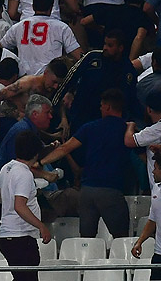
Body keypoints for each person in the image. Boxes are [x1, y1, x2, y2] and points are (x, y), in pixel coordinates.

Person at [40, 89, 132, 238]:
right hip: (111, 190)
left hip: (87, 191)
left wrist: (41, 162)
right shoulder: (127, 130)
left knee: (86, 240)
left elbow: (64, 148)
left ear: (108, 107)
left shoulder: (90, 128)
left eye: (102, 105)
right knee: (121, 238)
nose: (100, 108)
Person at [0, 131, 51, 281]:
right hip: (21, 237)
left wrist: (9, 205)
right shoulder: (24, 174)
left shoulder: (7, 168)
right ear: (36, 153)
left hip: (6, 236)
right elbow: (20, 206)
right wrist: (41, 226)